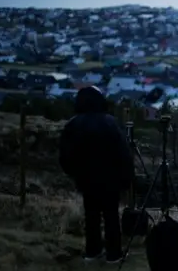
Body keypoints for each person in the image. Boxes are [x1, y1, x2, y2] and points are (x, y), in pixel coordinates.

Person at [59, 86, 133, 264]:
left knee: (91, 215)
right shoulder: (110, 123)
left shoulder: (73, 125)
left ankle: (92, 251)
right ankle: (114, 254)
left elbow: (65, 156)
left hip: (86, 179)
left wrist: (74, 173)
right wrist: (127, 177)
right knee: (111, 216)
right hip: (110, 180)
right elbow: (123, 153)